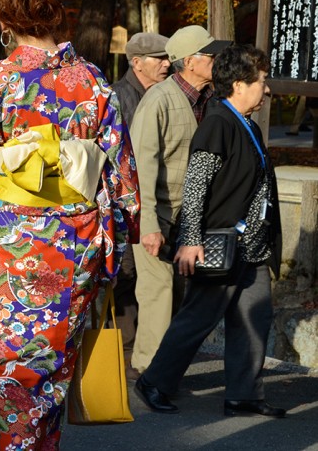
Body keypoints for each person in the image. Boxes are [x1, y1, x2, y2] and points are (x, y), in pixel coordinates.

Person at [0, 0, 139, 450]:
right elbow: (122, 179)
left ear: (4, 18)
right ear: (56, 10)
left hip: (16, 245)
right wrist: (115, 242)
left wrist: (11, 163)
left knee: (11, 369)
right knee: (51, 371)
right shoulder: (94, 83)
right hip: (77, 242)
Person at [135, 44, 285, 418]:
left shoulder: (245, 123)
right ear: (238, 84)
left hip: (251, 245)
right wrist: (190, 240)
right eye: (261, 81)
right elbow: (196, 185)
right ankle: (154, 381)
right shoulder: (219, 123)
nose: (266, 90)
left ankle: (244, 394)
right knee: (197, 319)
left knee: (254, 318)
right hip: (221, 242)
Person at [129, 25, 230, 374]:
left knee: (180, 297)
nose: (216, 60)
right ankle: (149, 372)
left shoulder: (211, 99)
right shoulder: (158, 100)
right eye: (210, 55)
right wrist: (148, 225)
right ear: (189, 61)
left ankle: (165, 370)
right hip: (157, 215)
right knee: (158, 296)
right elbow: (141, 167)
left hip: (193, 217)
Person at [110, 31, 170, 379]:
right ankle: (126, 352)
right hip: (123, 202)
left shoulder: (162, 93)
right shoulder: (119, 96)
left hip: (150, 200)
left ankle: (138, 355)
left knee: (145, 278)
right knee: (125, 276)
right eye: (159, 58)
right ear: (137, 63)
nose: (166, 64)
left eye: (167, 58)